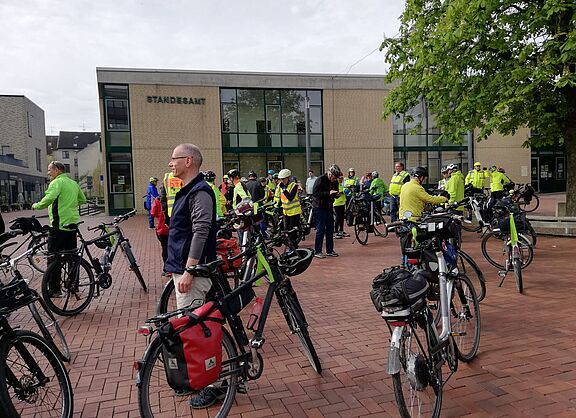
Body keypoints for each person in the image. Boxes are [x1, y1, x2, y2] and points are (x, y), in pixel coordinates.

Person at [164, 143, 220, 406]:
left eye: (174, 159)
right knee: (190, 326)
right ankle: (195, 378)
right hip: (184, 270)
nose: (169, 163)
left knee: (197, 330)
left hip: (193, 273)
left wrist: (189, 270)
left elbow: (201, 231)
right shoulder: (187, 190)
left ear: (188, 161)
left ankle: (216, 384)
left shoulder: (200, 192)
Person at [32, 161, 86, 296]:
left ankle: (55, 289)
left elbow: (49, 198)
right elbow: (82, 199)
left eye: (50, 170)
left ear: (57, 170)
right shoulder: (73, 183)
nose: (48, 173)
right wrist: (70, 205)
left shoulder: (57, 183)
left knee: (53, 258)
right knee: (71, 256)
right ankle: (73, 285)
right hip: (72, 226)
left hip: (59, 225)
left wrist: (37, 205)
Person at [312, 164, 342, 258]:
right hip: (319, 207)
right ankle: (318, 251)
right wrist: (328, 193)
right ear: (329, 174)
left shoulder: (335, 182)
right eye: (333, 177)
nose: (334, 179)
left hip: (329, 206)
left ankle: (330, 250)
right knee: (320, 229)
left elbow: (334, 192)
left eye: (336, 178)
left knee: (330, 229)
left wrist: (336, 194)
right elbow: (315, 193)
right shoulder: (321, 179)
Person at [276, 169, 302, 247]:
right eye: (281, 179)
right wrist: (277, 206)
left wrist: (283, 188)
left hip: (294, 212)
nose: (282, 181)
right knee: (286, 231)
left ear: (288, 177)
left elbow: (290, 197)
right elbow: (281, 198)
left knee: (292, 232)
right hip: (286, 212)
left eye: (283, 179)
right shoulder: (282, 186)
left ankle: (294, 248)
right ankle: (290, 247)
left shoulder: (294, 185)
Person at [150, 193, 169, 275]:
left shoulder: (157, 200)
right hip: (172, 229)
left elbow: (153, 213)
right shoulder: (174, 198)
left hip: (161, 229)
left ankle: (166, 269)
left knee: (164, 249)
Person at [333, 174, 348, 238]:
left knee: (342, 218)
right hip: (337, 203)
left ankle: (341, 231)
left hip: (342, 202)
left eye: (342, 178)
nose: (341, 179)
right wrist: (342, 192)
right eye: (340, 178)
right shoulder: (335, 184)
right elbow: (336, 193)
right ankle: (335, 232)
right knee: (338, 218)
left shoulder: (341, 184)